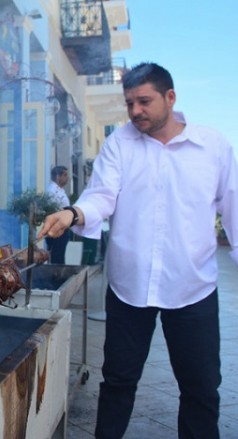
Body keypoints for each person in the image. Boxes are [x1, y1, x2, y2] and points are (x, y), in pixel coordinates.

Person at [38, 62, 238, 439]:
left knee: (201, 389)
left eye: (144, 101)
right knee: (117, 382)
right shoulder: (119, 145)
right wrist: (74, 212)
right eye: (129, 103)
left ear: (170, 97)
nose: (135, 112)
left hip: (192, 288)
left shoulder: (212, 147)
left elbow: (234, 211)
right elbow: (102, 196)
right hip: (130, 289)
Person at [44, 165, 71, 264]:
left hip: (63, 227)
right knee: (56, 256)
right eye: (65, 175)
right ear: (57, 176)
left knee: (60, 254)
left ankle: (60, 275)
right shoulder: (51, 191)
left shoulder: (60, 190)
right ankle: (55, 276)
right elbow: (53, 210)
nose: (67, 178)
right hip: (56, 227)